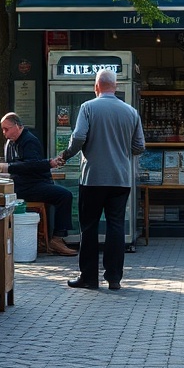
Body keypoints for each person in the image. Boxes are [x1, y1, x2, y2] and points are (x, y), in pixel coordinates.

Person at [55, 68, 145, 291]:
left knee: (89, 227)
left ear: (96, 87)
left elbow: (78, 137)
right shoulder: (131, 112)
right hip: (120, 179)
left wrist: (67, 154)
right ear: (115, 87)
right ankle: (114, 278)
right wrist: (121, 150)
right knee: (115, 226)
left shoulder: (88, 108)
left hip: (93, 178)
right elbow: (139, 146)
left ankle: (89, 278)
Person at [0, 112, 78, 256]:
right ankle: (57, 238)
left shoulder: (28, 141)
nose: (4, 133)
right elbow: (27, 166)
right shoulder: (11, 142)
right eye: (3, 129)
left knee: (64, 195)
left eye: (6, 129)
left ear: (17, 126)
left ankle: (56, 239)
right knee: (64, 195)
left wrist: (7, 168)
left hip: (29, 184)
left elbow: (31, 165)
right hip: (25, 186)